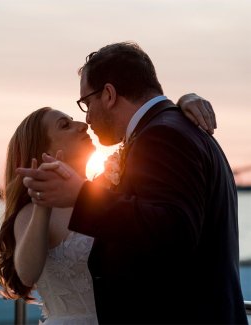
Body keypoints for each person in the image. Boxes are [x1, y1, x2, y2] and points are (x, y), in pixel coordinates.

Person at [17, 42, 248, 324]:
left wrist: (81, 197)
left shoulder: (161, 135)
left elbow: (174, 230)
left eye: (87, 103)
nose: (86, 120)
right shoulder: (170, 128)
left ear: (109, 94)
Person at [0, 95, 217, 325]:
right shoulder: (31, 213)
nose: (83, 124)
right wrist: (43, 202)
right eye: (65, 125)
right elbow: (27, 273)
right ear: (41, 149)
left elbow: (152, 224)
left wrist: (184, 102)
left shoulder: (108, 191)